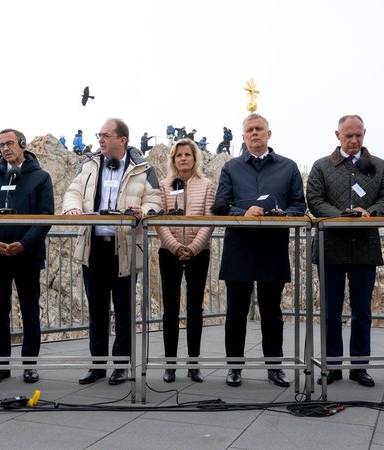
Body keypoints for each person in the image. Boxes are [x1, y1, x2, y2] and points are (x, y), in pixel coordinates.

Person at [62, 118, 161, 385]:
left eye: (106, 135)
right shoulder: (89, 165)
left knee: (124, 311)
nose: (100, 140)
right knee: (97, 310)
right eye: (99, 135)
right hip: (93, 248)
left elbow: (155, 200)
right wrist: (72, 207)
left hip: (124, 249)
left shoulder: (143, 168)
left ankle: (121, 366)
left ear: (122, 140)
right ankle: (97, 366)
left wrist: (144, 211)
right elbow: (72, 191)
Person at [213, 113, 306, 388]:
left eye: (259, 129)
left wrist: (282, 214)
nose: (255, 133)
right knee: (236, 312)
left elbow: (299, 205)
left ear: (269, 134)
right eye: (250, 130)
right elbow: (220, 205)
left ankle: (275, 368)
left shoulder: (288, 167)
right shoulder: (231, 167)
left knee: (272, 311)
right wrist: (243, 212)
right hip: (239, 246)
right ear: (243, 137)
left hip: (272, 246)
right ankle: (234, 367)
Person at [305, 115, 384, 388]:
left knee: (362, 313)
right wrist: (341, 216)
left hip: (364, 248)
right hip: (330, 247)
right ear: (337, 135)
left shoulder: (380, 166)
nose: (354, 140)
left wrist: (371, 212)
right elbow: (314, 200)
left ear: (364, 133)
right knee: (330, 312)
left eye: (358, 135)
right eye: (348, 136)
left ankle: (359, 367)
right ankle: (331, 366)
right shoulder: (321, 166)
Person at [0, 128, 54, 385]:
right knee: (0, 312)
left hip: (27, 255)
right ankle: (1, 366)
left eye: (9, 143)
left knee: (29, 310)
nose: (5, 148)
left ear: (22, 144)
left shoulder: (41, 177)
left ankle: (30, 365)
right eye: (1, 145)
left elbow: (45, 216)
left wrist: (23, 244)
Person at [156, 139, 215, 383]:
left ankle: (193, 363)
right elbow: (159, 220)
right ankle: (170, 364)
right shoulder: (164, 185)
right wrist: (175, 246)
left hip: (198, 253)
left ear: (194, 158)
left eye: (187, 154)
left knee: (195, 308)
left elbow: (209, 220)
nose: (183, 158)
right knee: (170, 309)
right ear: (173, 159)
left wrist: (192, 248)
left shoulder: (207, 185)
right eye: (178, 155)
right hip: (169, 252)